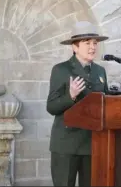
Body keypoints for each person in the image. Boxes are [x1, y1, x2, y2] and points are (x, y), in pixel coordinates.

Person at [46, 21, 109, 187]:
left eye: (95, 43)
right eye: (87, 43)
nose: (92, 47)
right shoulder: (61, 70)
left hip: (92, 144)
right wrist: (70, 96)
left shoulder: (100, 71)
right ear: (74, 47)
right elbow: (51, 107)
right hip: (67, 145)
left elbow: (105, 103)